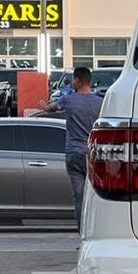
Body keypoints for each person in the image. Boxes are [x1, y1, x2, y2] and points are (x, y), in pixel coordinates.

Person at [42, 67, 104, 230]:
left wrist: (44, 106)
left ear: (77, 80)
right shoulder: (100, 102)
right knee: (98, 195)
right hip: (94, 154)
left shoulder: (68, 100)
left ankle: (83, 232)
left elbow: (51, 108)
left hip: (74, 152)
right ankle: (97, 230)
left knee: (79, 197)